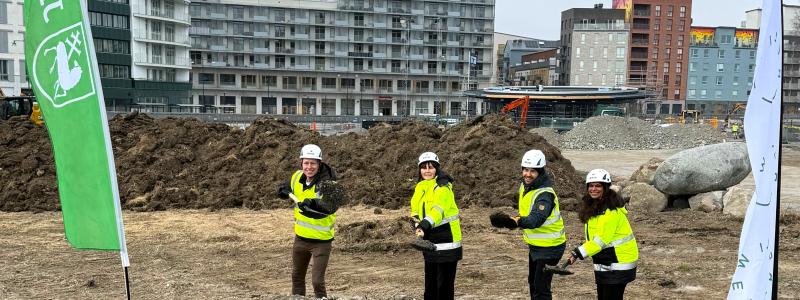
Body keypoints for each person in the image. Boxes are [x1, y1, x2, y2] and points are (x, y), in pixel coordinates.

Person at [276, 144, 338, 299]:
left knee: (317, 282)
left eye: (313, 163)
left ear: (319, 164)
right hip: (301, 239)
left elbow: (330, 206)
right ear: (301, 163)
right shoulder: (297, 176)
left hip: (321, 242)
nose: (309, 167)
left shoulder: (329, 183)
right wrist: (283, 190)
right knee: (296, 278)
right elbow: (287, 187)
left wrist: (312, 203)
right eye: (306, 163)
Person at [566, 169, 638, 300]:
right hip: (606, 262)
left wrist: (577, 252)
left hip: (618, 264)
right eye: (591, 186)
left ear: (605, 187)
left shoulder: (610, 212)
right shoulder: (595, 207)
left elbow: (600, 241)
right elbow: (594, 238)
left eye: (598, 186)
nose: (594, 189)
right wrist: (579, 252)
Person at [512, 149, 566, 300]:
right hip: (536, 245)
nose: (527, 174)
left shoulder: (544, 195)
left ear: (540, 172)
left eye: (532, 171)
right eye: (525, 170)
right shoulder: (526, 186)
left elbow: (536, 219)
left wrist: (516, 221)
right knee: (534, 283)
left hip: (550, 247)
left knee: (541, 289)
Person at [410, 152, 462, 300]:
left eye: (431, 167)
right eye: (423, 167)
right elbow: (415, 208)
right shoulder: (420, 187)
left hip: (447, 243)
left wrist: (424, 224)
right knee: (431, 285)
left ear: (437, 169)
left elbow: (438, 210)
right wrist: (415, 222)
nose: (427, 171)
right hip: (429, 242)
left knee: (444, 287)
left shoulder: (443, 187)